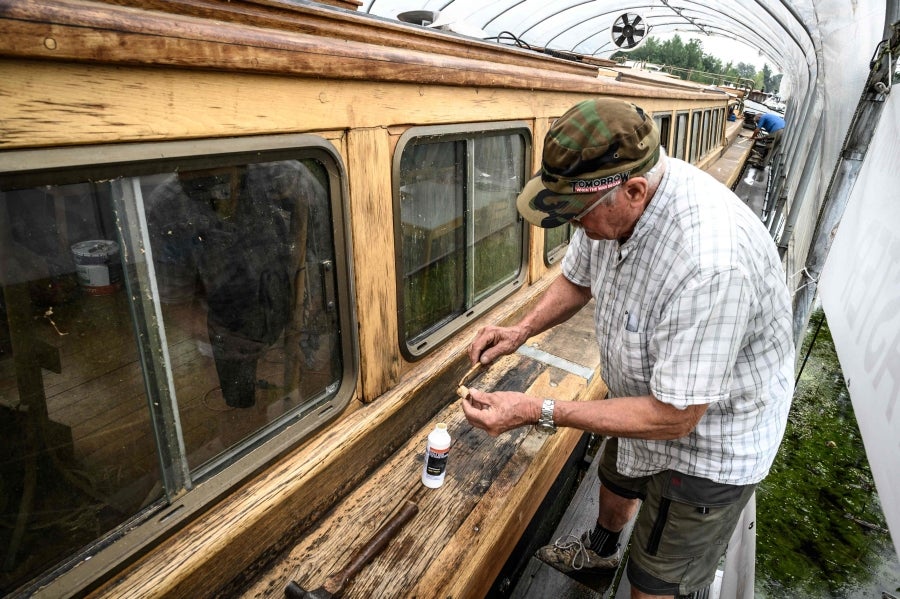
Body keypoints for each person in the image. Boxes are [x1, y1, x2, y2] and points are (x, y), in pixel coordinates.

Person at [460, 98, 794, 599]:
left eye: (580, 217)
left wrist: (538, 409)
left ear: (634, 191)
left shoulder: (711, 265)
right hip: (645, 393)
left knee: (657, 581)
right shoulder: (613, 198)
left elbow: (675, 418)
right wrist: (520, 330)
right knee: (618, 475)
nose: (577, 228)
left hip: (710, 442)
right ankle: (599, 552)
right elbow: (578, 279)